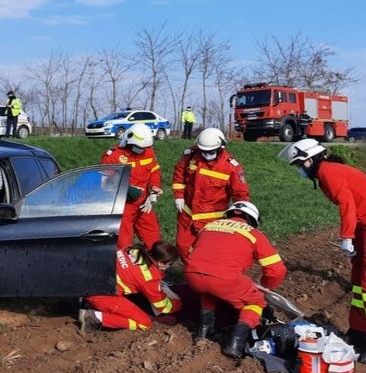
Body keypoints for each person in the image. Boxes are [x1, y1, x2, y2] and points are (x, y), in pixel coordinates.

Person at [279, 139, 366, 364]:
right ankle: (358, 333)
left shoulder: (327, 172)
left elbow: (347, 204)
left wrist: (346, 237)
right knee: (359, 282)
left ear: (308, 161)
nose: (299, 170)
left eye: (298, 165)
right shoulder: (329, 171)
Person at [183, 201, 286, 358]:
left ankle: (204, 329)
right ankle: (236, 341)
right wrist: (265, 286)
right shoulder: (254, 234)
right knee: (255, 302)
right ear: (252, 220)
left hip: (192, 274)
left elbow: (191, 253)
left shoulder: (208, 227)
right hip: (224, 280)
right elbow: (277, 270)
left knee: (209, 290)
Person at [171, 127, 250, 265]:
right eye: (204, 152)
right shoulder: (191, 156)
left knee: (210, 252)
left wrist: (240, 217)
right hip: (188, 214)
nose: (207, 155)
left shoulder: (231, 167)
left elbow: (241, 194)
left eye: (211, 152)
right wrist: (179, 195)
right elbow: (179, 174)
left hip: (213, 219)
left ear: (221, 147)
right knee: (183, 246)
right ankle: (193, 274)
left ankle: (206, 276)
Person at [79, 241, 181, 332]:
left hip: (88, 277)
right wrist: (177, 304)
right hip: (101, 294)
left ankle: (86, 300)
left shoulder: (134, 250)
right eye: (170, 264)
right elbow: (161, 305)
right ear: (161, 262)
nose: (169, 267)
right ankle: (93, 317)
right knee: (144, 323)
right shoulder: (149, 277)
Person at [100, 123, 162, 251]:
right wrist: (126, 189)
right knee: (124, 243)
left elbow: (154, 171)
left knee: (154, 239)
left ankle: (155, 267)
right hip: (123, 205)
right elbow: (104, 182)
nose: (141, 150)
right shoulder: (114, 156)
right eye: (138, 147)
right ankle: (126, 269)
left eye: (144, 148)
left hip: (144, 204)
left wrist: (154, 189)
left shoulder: (148, 151)